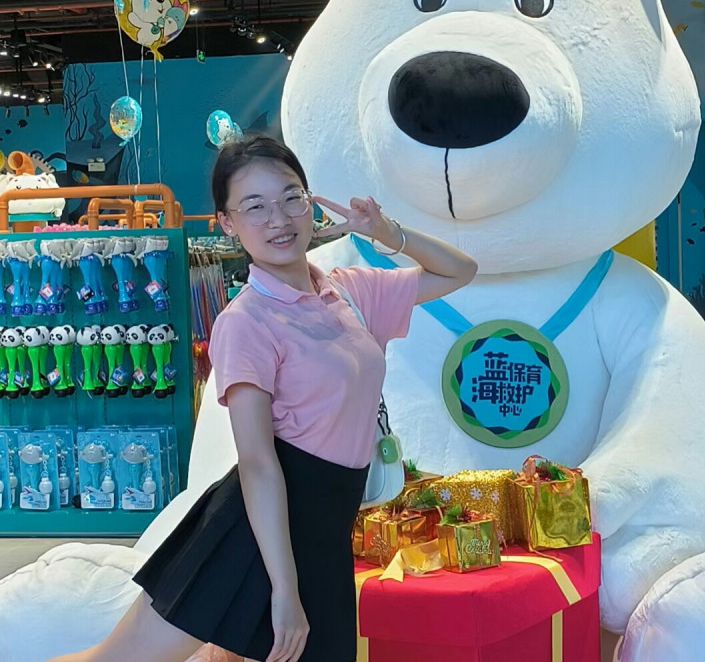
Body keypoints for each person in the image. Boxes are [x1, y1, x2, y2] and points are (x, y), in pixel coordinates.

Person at [48, 135, 477, 662]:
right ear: (227, 223)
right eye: (254, 206)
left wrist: (386, 233)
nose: (279, 219)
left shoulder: (349, 291)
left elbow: (461, 270)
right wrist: (285, 589)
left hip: (323, 531)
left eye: (291, 197)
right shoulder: (246, 321)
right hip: (256, 535)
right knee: (119, 660)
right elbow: (257, 462)